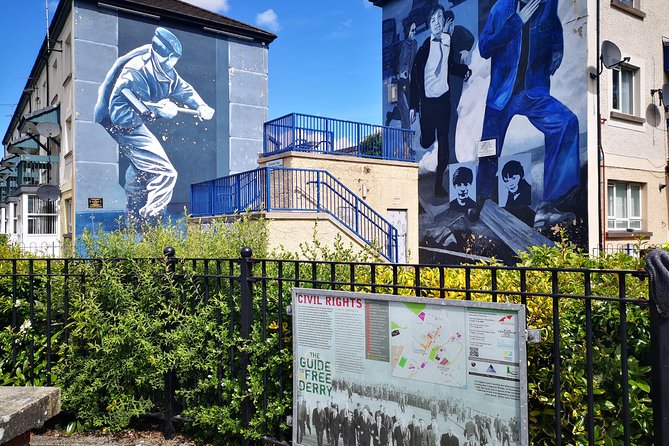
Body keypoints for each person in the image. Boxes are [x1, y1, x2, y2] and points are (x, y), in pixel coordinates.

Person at [94, 27, 215, 227]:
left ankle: (133, 215)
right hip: (121, 121)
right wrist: (160, 110)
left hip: (131, 121)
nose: (173, 64)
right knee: (164, 172)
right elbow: (129, 103)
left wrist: (200, 105)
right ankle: (152, 216)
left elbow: (183, 89)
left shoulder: (163, 67)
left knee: (142, 168)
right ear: (164, 55)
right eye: (172, 59)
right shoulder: (135, 71)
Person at [475, 0, 579, 227]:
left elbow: (554, 29)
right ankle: (480, 199)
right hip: (502, 94)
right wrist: (516, 23)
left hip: (532, 91)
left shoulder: (548, 4)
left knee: (566, 122)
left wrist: (555, 56)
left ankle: (547, 207)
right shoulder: (501, 8)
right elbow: (484, 48)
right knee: (488, 147)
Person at [410, 6, 471, 198]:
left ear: (444, 21)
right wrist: (413, 105)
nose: (437, 22)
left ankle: (438, 186)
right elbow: (414, 77)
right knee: (428, 140)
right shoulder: (423, 49)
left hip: (443, 101)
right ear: (429, 25)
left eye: (439, 18)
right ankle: (424, 137)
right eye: (433, 20)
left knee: (443, 144)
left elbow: (450, 65)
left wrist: (464, 71)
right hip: (428, 103)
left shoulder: (448, 41)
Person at [386, 22, 418, 129]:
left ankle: (391, 115)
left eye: (415, 30)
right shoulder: (399, 46)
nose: (414, 33)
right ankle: (407, 139)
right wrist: (399, 73)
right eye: (412, 30)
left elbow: (413, 62)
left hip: (406, 81)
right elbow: (392, 63)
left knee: (408, 108)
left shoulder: (415, 44)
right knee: (404, 109)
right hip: (396, 82)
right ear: (407, 32)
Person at [501, 159, 535, 225]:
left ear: (521, 175)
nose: (510, 183)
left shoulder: (529, 191)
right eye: (506, 180)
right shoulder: (511, 193)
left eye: (513, 178)